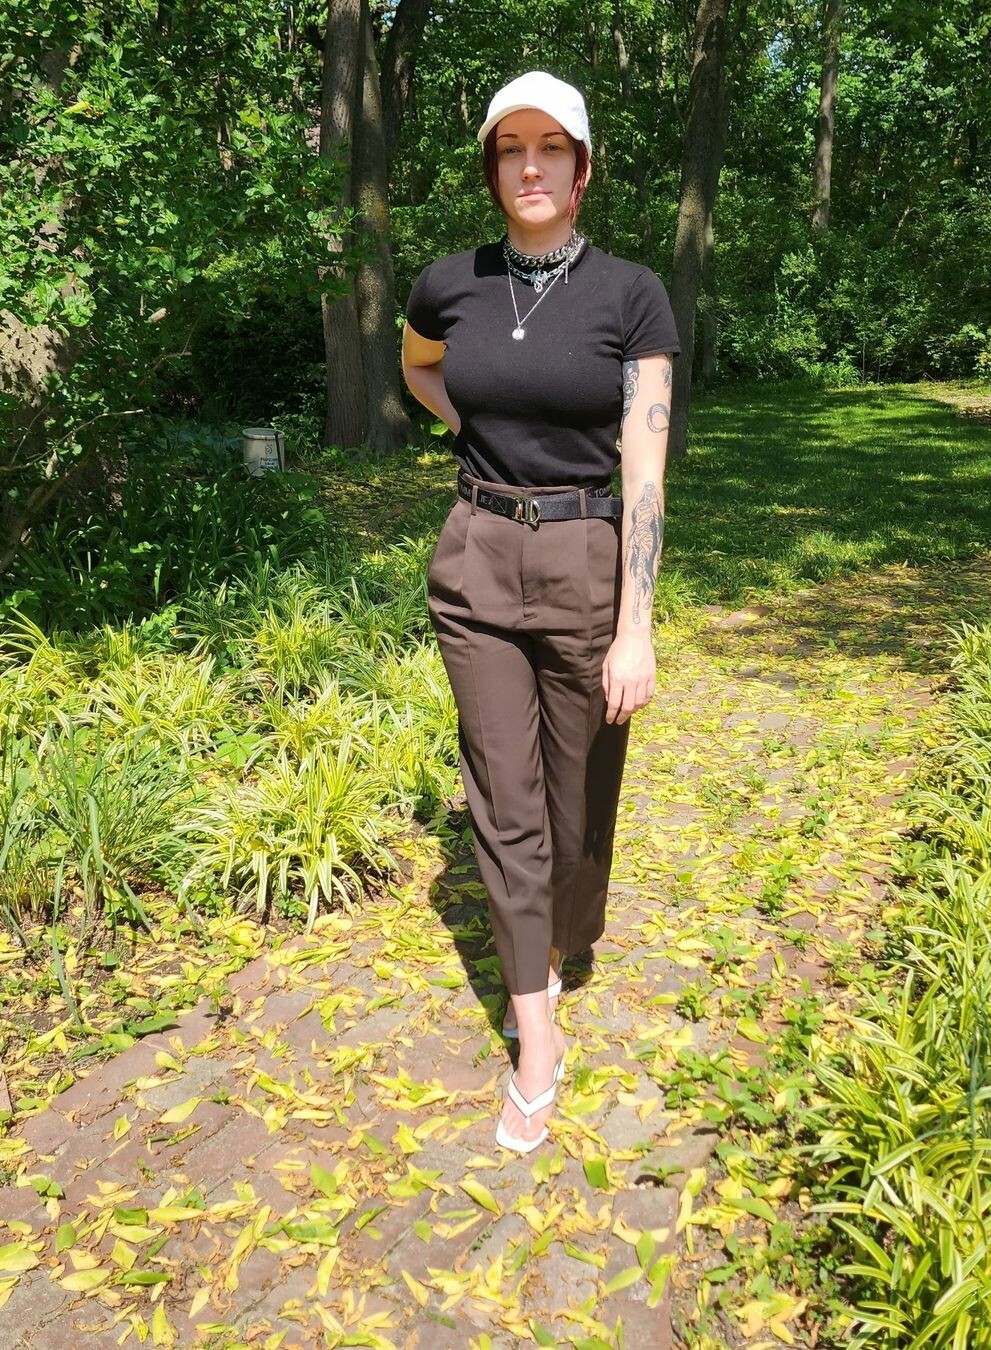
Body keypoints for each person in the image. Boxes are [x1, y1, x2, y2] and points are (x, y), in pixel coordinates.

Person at [401, 70, 679, 1153]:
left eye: (550, 147)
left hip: (584, 559)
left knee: (577, 804)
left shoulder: (631, 295)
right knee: (503, 801)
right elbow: (421, 369)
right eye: (510, 147)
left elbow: (645, 466)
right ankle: (536, 1030)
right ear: (492, 167)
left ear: (582, 167)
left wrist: (636, 623)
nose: (529, 165)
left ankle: (566, 934)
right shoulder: (449, 283)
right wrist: (474, 428)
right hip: (476, 555)